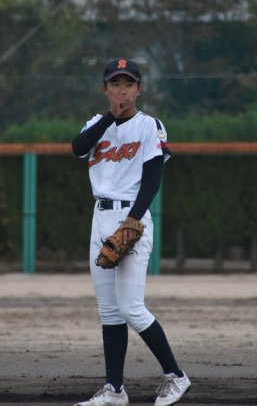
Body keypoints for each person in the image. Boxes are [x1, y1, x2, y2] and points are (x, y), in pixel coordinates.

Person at [71, 58, 191, 406]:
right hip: (100, 217)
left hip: (131, 219)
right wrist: (110, 117)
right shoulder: (96, 124)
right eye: (115, 84)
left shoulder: (149, 126)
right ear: (105, 89)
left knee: (131, 308)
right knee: (109, 311)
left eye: (128, 84)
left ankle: (177, 377)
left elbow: (152, 180)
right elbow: (78, 148)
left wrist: (131, 222)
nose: (121, 90)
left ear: (139, 89)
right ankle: (114, 390)